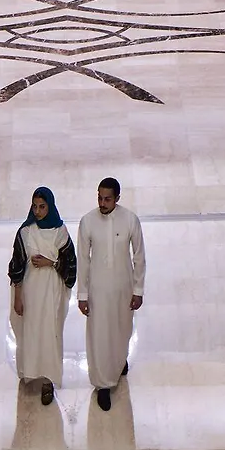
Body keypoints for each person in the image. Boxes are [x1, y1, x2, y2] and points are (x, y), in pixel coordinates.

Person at [75, 176, 144, 411]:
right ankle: (103, 384)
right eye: (99, 197)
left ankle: (118, 362)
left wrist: (138, 290)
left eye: (107, 199)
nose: (102, 203)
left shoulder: (130, 220)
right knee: (100, 335)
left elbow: (139, 257)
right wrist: (82, 295)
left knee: (122, 329)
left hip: (123, 288)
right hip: (98, 290)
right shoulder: (87, 222)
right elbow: (82, 261)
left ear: (117, 198)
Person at [9, 186, 77, 406]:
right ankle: (29, 370)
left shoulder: (60, 233)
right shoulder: (25, 232)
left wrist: (52, 263)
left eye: (42, 207)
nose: (37, 211)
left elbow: (71, 265)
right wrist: (18, 297)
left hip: (52, 294)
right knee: (30, 332)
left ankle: (48, 380)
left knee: (50, 334)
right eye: (35, 206)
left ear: (50, 207)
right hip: (30, 292)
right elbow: (17, 265)